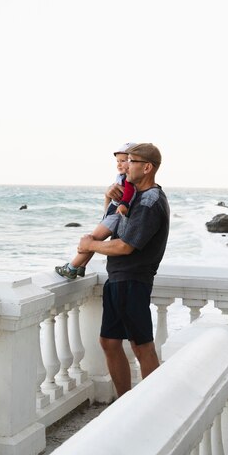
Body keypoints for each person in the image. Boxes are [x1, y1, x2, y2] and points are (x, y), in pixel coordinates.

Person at [76, 143, 170, 398]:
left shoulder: (150, 201)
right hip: (118, 279)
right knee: (108, 342)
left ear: (147, 167)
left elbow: (126, 246)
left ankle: (153, 404)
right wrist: (109, 198)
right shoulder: (135, 196)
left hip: (133, 281)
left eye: (131, 161)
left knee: (142, 348)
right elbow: (113, 224)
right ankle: (124, 402)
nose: (124, 166)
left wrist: (90, 245)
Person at [55, 142, 137, 280]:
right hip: (113, 213)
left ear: (133, 162)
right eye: (118, 161)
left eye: (123, 161)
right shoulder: (123, 177)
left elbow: (128, 193)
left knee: (91, 241)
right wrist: (108, 197)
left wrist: (123, 204)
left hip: (115, 215)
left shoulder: (129, 178)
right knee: (93, 241)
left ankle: (71, 268)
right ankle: (81, 267)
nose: (119, 164)